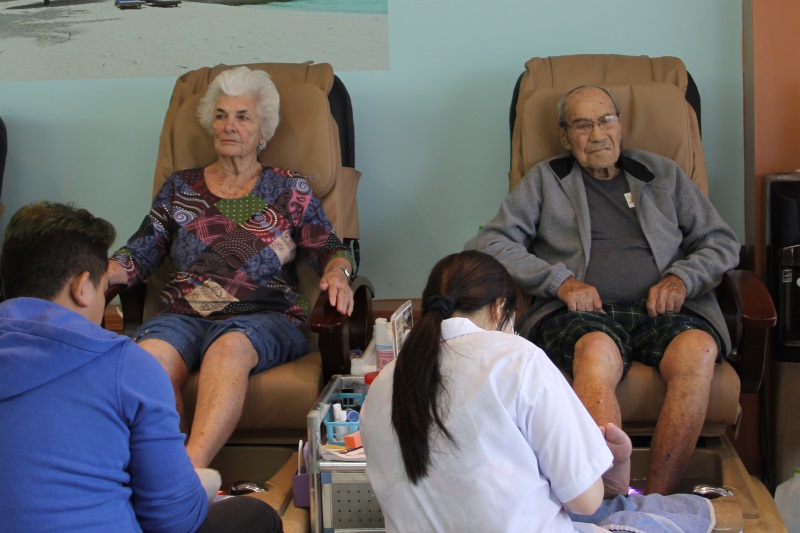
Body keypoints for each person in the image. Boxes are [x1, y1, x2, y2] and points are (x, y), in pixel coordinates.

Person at [475, 85, 741, 495]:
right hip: (583, 315)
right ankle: (611, 497)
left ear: (621, 125)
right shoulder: (547, 179)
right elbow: (491, 242)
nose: (597, 134)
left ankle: (657, 500)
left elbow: (722, 242)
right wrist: (559, 281)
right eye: (582, 125)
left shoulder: (663, 173)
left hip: (664, 310)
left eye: (606, 120)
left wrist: (681, 279)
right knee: (596, 352)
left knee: (698, 350)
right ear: (565, 136)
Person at [107, 66, 354, 469]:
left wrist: (337, 272)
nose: (229, 126)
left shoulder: (289, 188)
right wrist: (107, 272)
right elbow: (142, 250)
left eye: (243, 117)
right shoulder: (179, 187)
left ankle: (188, 475)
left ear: (263, 131)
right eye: (221, 115)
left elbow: (329, 246)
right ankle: (166, 473)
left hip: (263, 315)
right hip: (183, 314)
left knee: (228, 350)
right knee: (149, 358)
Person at [0, 201, 283, 532]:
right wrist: (199, 484)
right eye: (104, 287)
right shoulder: (127, 366)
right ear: (82, 287)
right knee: (254, 515)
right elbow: (172, 520)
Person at [360, 250, 633, 532]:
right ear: (499, 307)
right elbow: (586, 502)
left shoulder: (384, 383)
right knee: (665, 512)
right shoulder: (517, 358)